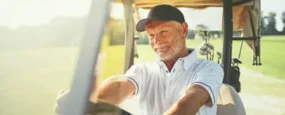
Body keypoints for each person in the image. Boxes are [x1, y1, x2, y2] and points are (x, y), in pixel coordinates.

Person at [55, 4, 224, 115]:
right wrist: (90, 103)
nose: (156, 41)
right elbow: (120, 86)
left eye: (163, 32)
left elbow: (193, 98)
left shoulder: (208, 69)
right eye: (151, 35)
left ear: (184, 30)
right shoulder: (143, 70)